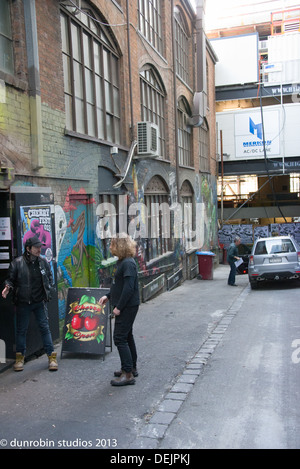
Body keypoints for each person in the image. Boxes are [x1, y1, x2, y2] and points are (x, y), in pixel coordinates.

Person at [1, 236, 58, 372]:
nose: (39, 249)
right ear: (28, 249)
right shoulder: (17, 263)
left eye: (40, 247)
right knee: (21, 330)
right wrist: (7, 287)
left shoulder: (43, 262)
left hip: (39, 302)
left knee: (45, 328)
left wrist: (48, 289)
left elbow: (49, 277)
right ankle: (20, 359)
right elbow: (10, 279)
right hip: (23, 303)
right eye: (36, 247)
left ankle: (51, 357)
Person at [99, 234, 140, 387]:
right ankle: (130, 367)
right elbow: (119, 286)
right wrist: (108, 296)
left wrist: (118, 308)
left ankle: (127, 374)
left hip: (128, 306)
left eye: (112, 244)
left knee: (120, 338)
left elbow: (129, 289)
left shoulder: (128, 263)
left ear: (120, 246)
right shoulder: (123, 262)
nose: (110, 247)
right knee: (127, 336)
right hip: (127, 305)